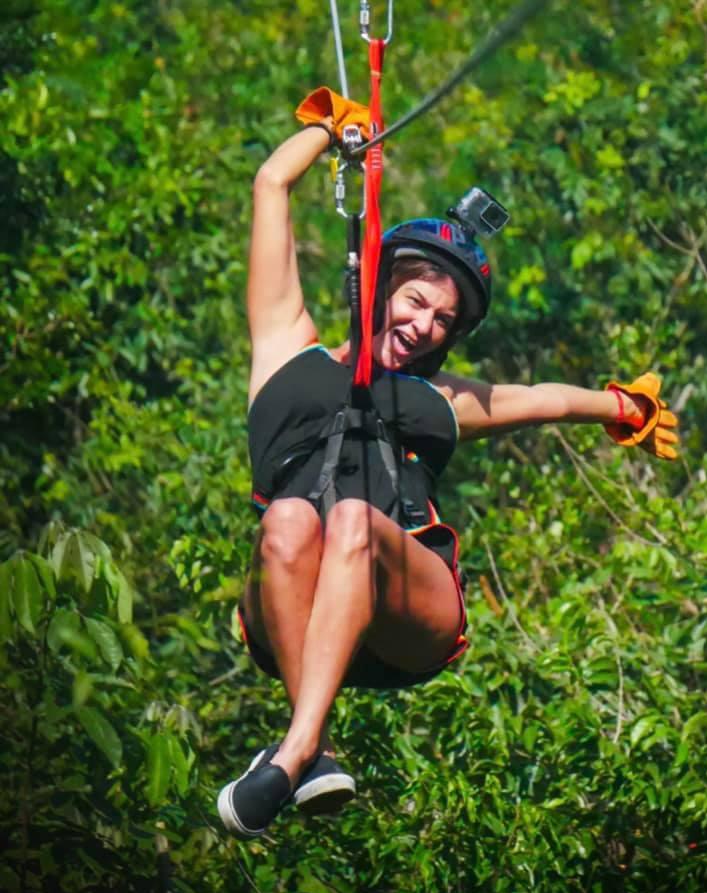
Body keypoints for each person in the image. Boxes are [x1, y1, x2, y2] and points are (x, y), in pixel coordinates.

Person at [217, 109, 679, 838]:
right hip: (293, 608)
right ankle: (313, 748)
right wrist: (331, 130)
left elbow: (545, 400)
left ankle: (295, 752)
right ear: (380, 289)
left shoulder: (440, 399)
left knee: (353, 520)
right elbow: (271, 183)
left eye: (443, 320)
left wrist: (625, 407)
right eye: (416, 301)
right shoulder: (286, 352)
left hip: (407, 607)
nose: (424, 326)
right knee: (288, 519)